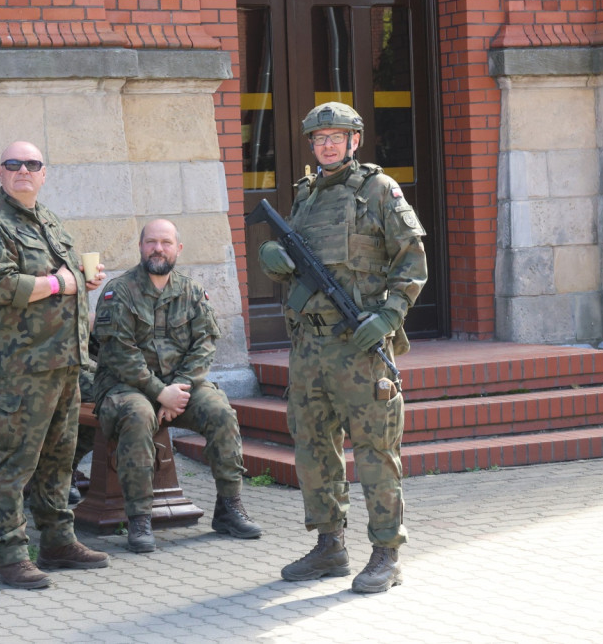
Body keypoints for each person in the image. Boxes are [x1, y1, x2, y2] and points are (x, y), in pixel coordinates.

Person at [258, 102, 427, 593]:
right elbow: (296, 263)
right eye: (319, 138)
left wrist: (390, 316)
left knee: (376, 450)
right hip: (309, 349)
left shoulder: (379, 191)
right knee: (313, 449)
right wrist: (276, 260)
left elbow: (411, 259)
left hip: (360, 346)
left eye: (337, 136)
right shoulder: (306, 197)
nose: (327, 144)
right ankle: (329, 544)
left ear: (354, 141)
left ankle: (386, 554)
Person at [0, 141, 110, 589]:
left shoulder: (47, 220)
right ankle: (9, 555)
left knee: (58, 459)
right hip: (21, 369)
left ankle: (58, 541)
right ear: (1, 173)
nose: (23, 170)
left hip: (64, 361)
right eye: (13, 164)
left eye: (32, 164)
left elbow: (64, 282)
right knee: (14, 463)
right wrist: (59, 282)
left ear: (44, 173)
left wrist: (83, 281)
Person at [92, 219, 262, 553]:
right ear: (141, 247)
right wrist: (159, 392)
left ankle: (229, 507)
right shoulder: (119, 291)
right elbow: (120, 354)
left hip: (179, 386)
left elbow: (205, 345)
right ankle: (139, 518)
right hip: (124, 387)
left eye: (166, 243)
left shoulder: (192, 292)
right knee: (139, 416)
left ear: (178, 249)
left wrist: (179, 388)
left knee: (220, 411)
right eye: (152, 242)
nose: (159, 248)